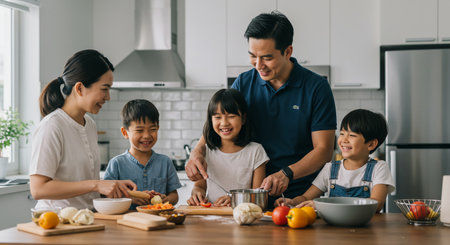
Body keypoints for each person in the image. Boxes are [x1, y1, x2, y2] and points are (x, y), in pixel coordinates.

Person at [185, 11, 336, 208]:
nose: (258, 65)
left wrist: (286, 174)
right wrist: (197, 152)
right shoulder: (243, 83)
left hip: (298, 196)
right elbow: (220, 120)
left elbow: (323, 151)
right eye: (252, 56)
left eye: (267, 58)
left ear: (288, 51)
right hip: (250, 195)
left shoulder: (316, 88)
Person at [29, 49, 137, 210]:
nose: (108, 97)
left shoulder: (89, 124)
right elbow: (38, 189)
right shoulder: (52, 126)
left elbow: (83, 186)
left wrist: (113, 187)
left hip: (86, 219)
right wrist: (96, 185)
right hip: (56, 223)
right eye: (104, 88)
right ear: (79, 88)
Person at [275, 109, 395, 212]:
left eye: (352, 135)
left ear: (371, 144)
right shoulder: (331, 168)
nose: (344, 140)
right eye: (342, 133)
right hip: (332, 230)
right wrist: (292, 202)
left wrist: (322, 206)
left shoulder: (379, 167)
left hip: (365, 231)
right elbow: (306, 197)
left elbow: (377, 203)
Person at [187, 89, 268, 207]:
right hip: (211, 217)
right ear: (211, 120)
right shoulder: (206, 151)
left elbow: (257, 195)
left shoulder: (256, 151)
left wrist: (234, 199)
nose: (224, 123)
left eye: (231, 116)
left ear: (243, 118)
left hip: (243, 216)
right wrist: (197, 193)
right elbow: (199, 186)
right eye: (217, 117)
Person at [104, 99, 181, 209]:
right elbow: (107, 195)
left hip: (159, 220)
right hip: (127, 220)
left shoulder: (165, 162)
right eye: (139, 130)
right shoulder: (117, 163)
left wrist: (166, 199)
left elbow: (174, 195)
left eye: (152, 129)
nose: (147, 135)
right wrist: (129, 199)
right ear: (125, 133)